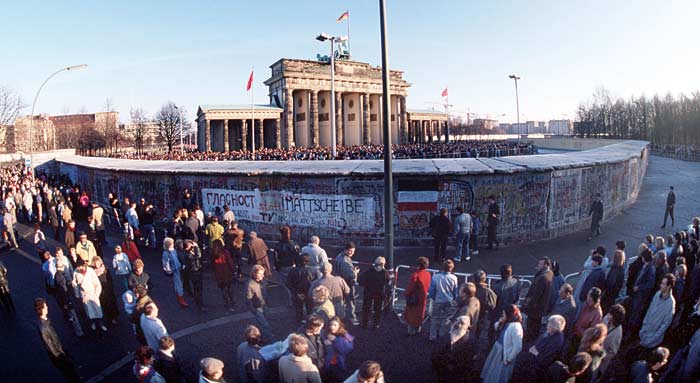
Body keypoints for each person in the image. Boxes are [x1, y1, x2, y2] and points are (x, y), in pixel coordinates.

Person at [34, 298, 81, 383]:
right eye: (45, 306)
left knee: (71, 374)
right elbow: (50, 347)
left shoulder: (46, 322)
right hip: (60, 357)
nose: (47, 307)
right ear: (41, 309)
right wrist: (63, 357)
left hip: (61, 353)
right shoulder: (43, 327)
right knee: (71, 376)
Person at [510, 315, 566, 383]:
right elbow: (537, 342)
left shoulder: (557, 341)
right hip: (531, 358)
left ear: (555, 328)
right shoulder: (549, 332)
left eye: (550, 325)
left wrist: (536, 353)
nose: (547, 326)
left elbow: (546, 359)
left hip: (536, 368)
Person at [481, 304, 523, 383]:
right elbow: (496, 328)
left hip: (504, 353)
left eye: (504, 314)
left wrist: (509, 359)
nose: (503, 315)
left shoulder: (516, 327)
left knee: (499, 372)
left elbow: (518, 347)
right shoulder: (506, 322)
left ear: (509, 315)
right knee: (492, 368)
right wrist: (500, 322)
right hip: (498, 348)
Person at [431, 315, 474, 383]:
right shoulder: (471, 341)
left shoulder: (443, 339)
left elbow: (434, 356)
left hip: (444, 372)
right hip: (459, 374)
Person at [639, 273, 675, 349]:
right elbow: (649, 311)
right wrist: (643, 328)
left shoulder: (671, 304)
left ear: (668, 286)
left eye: (663, 284)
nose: (660, 285)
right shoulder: (657, 294)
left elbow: (665, 325)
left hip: (654, 341)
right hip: (644, 333)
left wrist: (653, 339)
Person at [522, 256, 554, 344]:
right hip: (541, 307)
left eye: (540, 264)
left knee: (532, 327)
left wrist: (527, 306)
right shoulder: (550, 273)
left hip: (535, 309)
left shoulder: (542, 278)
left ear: (546, 265)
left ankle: (529, 342)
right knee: (536, 326)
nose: (538, 265)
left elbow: (536, 295)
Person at [428, 259, 459, 340]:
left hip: (438, 300)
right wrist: (454, 299)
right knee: (446, 318)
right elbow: (455, 292)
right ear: (451, 268)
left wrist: (434, 298)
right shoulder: (454, 278)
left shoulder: (435, 277)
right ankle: (442, 335)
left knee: (434, 318)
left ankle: (433, 336)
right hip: (449, 301)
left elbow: (431, 291)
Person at [73, 258, 107, 332]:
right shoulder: (75, 272)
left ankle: (101, 324)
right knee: (89, 312)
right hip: (85, 296)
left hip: (93, 294)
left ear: (83, 265)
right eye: (78, 267)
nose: (79, 268)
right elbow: (75, 285)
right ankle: (93, 323)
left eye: (80, 266)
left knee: (98, 311)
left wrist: (96, 294)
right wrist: (78, 296)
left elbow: (97, 283)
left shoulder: (90, 271)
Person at [358, 256, 390, 330]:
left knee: (366, 308)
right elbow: (388, 284)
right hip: (379, 293)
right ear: (383, 264)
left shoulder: (368, 271)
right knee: (377, 309)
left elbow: (360, 282)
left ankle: (365, 324)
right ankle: (376, 324)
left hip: (368, 292)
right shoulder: (385, 273)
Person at [404, 256, 431, 335]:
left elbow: (410, 287)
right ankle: (418, 329)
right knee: (420, 313)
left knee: (411, 314)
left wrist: (406, 294)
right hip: (423, 297)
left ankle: (410, 332)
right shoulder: (428, 274)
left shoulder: (416, 275)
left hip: (414, 298)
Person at [288, 255, 319, 323]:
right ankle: (310, 323)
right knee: (310, 310)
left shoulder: (292, 271)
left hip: (297, 293)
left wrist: (297, 293)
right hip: (309, 293)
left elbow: (289, 284)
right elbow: (315, 283)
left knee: (298, 310)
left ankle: (299, 323)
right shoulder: (312, 270)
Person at [335, 242, 360, 325]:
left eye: (353, 251)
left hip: (339, 282)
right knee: (351, 302)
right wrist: (355, 272)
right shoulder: (345, 261)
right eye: (350, 251)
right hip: (347, 284)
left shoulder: (339, 256)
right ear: (346, 250)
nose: (352, 253)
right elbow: (350, 276)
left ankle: (339, 317)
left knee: (340, 301)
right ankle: (352, 318)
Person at [323, 317, 355, 382]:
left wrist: (336, 340)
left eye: (335, 325)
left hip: (340, 363)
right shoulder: (324, 333)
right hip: (327, 363)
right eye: (331, 324)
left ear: (339, 326)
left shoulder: (345, 334)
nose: (332, 327)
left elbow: (347, 349)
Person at [275, 225, 300, 307]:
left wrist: (277, 267)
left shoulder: (278, 245)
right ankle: (295, 299)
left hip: (283, 267)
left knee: (286, 285)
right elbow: (297, 255)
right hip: (292, 265)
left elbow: (276, 258)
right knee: (294, 283)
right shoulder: (293, 244)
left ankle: (290, 301)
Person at [247, 264, 273, 339]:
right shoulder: (250, 285)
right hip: (257, 308)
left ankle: (261, 336)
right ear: (254, 274)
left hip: (264, 305)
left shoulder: (263, 282)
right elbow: (248, 300)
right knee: (265, 324)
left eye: (263, 273)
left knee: (265, 322)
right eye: (260, 274)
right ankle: (268, 339)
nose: (262, 276)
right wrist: (254, 311)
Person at [92, 256, 120, 325]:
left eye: (98, 263)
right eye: (96, 263)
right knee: (105, 306)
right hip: (101, 292)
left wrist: (110, 288)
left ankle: (115, 317)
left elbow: (110, 279)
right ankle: (109, 318)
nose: (97, 264)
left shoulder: (105, 268)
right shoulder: (93, 272)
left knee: (112, 304)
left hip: (108, 289)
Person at [599, 304, 625, 376]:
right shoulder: (606, 318)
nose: (608, 315)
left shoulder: (618, 332)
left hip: (601, 363)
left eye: (611, 315)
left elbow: (613, 352)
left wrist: (601, 356)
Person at [162, 237, 188, 307]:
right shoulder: (166, 253)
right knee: (178, 284)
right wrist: (169, 271)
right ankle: (181, 299)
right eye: (172, 243)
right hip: (174, 270)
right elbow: (165, 264)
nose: (173, 244)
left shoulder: (173, 250)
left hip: (178, 268)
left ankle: (179, 297)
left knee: (178, 284)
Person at [212, 239, 236, 311]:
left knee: (223, 290)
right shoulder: (225, 252)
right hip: (227, 272)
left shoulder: (213, 254)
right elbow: (230, 263)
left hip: (219, 274)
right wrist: (233, 270)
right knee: (230, 288)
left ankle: (226, 303)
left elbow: (212, 265)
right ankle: (232, 301)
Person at [182, 239, 205, 311]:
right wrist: (197, 247)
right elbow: (198, 256)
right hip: (194, 272)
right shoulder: (187, 254)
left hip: (195, 271)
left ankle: (199, 302)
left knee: (198, 289)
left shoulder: (188, 252)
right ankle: (199, 304)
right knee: (198, 289)